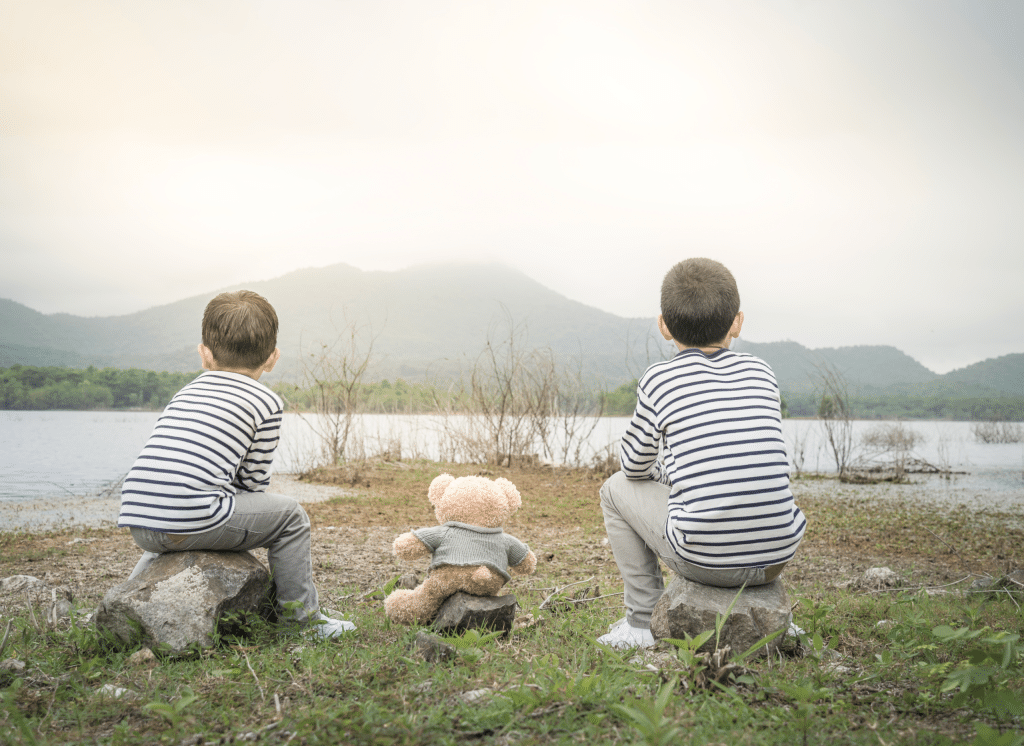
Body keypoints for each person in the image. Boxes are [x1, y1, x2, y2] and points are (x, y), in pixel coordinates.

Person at [117, 290, 355, 639]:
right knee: (291, 517)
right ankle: (302, 622)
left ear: (204, 354)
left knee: (179, 516)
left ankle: (127, 606)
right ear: (273, 358)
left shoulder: (186, 392)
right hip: (190, 518)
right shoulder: (265, 401)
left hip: (140, 523)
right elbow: (253, 484)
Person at [598, 258, 806, 650]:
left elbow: (633, 466)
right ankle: (772, 615)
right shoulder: (762, 372)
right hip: (778, 556)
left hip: (704, 561)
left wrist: (664, 469)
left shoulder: (660, 378)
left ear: (663, 325)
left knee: (613, 489)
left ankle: (642, 623)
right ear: (737, 322)